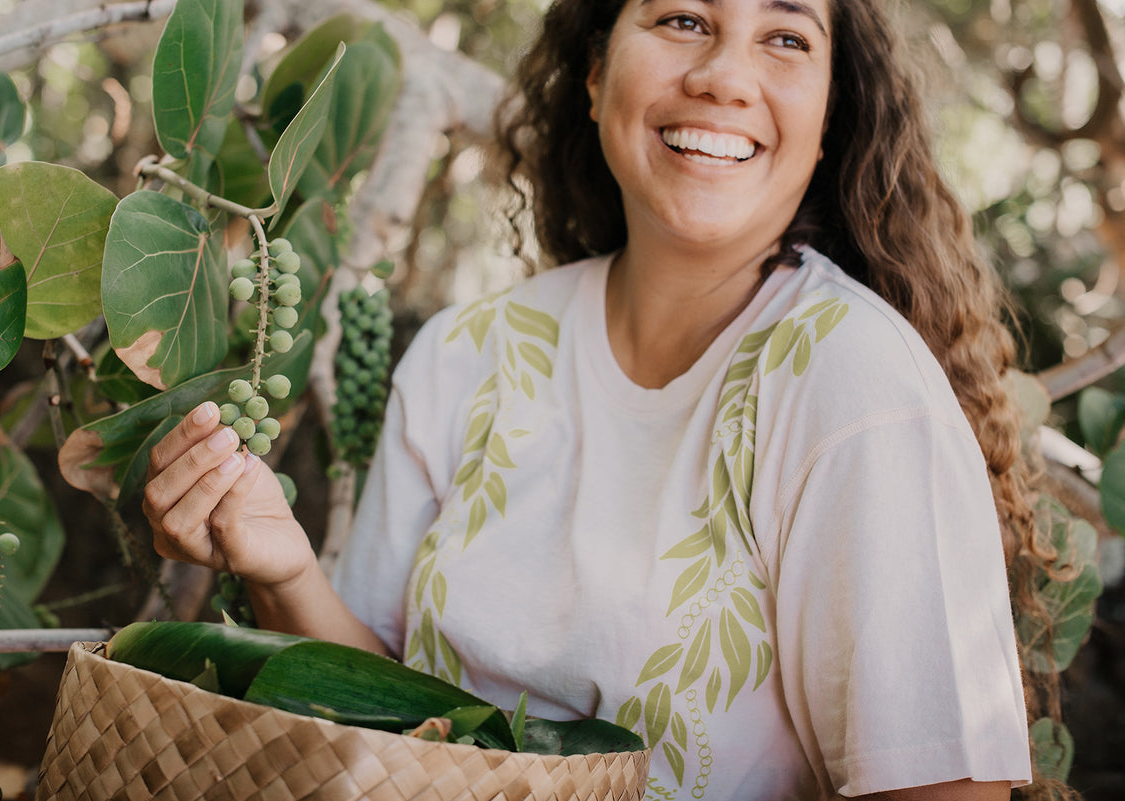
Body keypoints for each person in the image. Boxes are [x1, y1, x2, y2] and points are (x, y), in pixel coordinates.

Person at [142, 1, 1076, 799]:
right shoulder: (466, 354)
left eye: (785, 37)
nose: (723, 75)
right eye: (681, 19)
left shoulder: (851, 383)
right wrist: (281, 567)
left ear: (829, 115)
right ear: (594, 75)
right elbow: (381, 717)